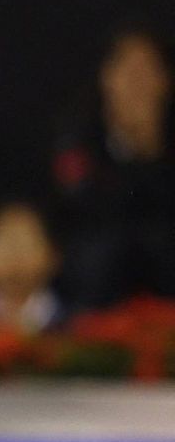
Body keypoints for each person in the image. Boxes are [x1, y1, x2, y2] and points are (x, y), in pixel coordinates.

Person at [52, 24, 175, 307]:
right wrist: (131, 150)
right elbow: (83, 211)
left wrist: (151, 149)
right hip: (97, 285)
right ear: (106, 77)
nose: (136, 82)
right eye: (127, 70)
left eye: (146, 70)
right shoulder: (77, 141)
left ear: (165, 81)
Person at [0, 201, 64, 334]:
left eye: (26, 241)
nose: (14, 253)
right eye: (3, 240)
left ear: (53, 255)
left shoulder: (73, 326)